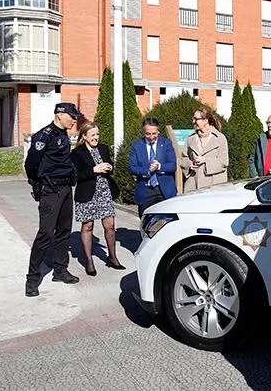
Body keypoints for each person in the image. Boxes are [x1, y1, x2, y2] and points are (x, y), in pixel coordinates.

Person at [24, 102, 83, 297]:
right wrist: (38, 184)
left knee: (64, 231)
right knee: (45, 234)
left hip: (66, 188)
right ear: (59, 115)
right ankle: (32, 279)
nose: (74, 120)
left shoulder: (63, 134)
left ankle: (60, 270)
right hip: (51, 189)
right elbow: (31, 163)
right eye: (71, 116)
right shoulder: (44, 135)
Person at [70, 121, 125, 276]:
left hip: (104, 192)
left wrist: (110, 167)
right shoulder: (77, 153)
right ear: (84, 136)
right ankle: (89, 261)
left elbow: (110, 164)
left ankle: (112, 257)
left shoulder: (103, 148)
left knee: (110, 225)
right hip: (87, 194)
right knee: (88, 226)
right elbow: (74, 176)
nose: (96, 137)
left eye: (97, 134)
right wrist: (93, 170)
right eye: (92, 134)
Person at [129, 117, 177, 217]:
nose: (151, 137)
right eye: (148, 134)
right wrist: (147, 170)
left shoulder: (166, 143)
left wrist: (159, 166)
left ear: (158, 131)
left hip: (164, 190)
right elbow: (132, 168)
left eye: (154, 133)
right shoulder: (137, 146)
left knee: (167, 221)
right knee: (146, 221)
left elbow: (173, 165)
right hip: (145, 190)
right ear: (143, 132)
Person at [180, 108, 228, 192]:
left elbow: (224, 162)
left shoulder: (220, 138)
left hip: (214, 186)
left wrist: (206, 160)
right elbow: (183, 159)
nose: (193, 121)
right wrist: (190, 165)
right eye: (193, 118)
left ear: (205, 120)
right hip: (193, 185)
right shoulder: (190, 139)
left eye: (196, 119)